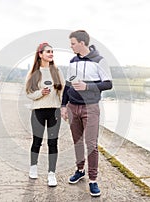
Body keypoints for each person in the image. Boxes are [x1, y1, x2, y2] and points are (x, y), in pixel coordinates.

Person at [61, 30, 113, 197]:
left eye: (73, 43)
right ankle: (80, 170)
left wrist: (88, 87)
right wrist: (63, 105)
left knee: (91, 145)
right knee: (77, 142)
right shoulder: (72, 61)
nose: (71, 46)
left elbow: (108, 84)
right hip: (72, 107)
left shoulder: (100, 61)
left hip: (90, 108)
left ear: (82, 43)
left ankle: (93, 180)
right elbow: (67, 86)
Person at [25, 42, 65, 187]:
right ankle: (33, 167)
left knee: (52, 142)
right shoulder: (34, 73)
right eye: (48, 51)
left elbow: (62, 91)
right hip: (38, 111)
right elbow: (28, 93)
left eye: (52, 51)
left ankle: (51, 174)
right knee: (37, 141)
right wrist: (40, 93)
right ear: (40, 54)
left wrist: (64, 108)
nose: (51, 54)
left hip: (54, 110)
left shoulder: (57, 71)